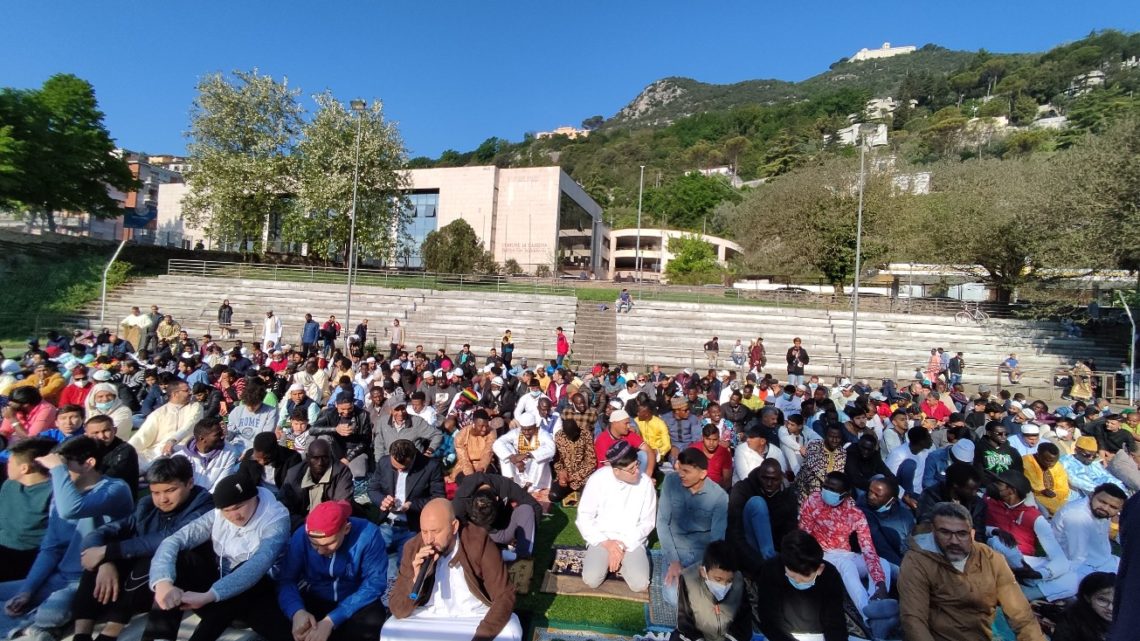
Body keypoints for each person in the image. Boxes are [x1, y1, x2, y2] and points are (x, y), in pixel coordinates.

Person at [0, 437, 134, 638]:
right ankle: (34, 625)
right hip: (60, 577)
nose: (55, 475)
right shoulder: (61, 494)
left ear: (89, 464)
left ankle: (39, 623)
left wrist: (57, 468)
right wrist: (27, 591)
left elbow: (71, 509)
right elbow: (51, 548)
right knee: (12, 595)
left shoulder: (115, 488)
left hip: (89, 580)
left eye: (64, 467)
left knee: (51, 613)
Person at [72, 456, 214, 641]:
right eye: (156, 492)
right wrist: (105, 562)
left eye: (170, 490)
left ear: (189, 483)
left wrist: (109, 552)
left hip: (189, 576)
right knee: (97, 559)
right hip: (142, 584)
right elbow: (102, 532)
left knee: (157, 557)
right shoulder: (146, 505)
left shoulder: (205, 505)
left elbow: (169, 539)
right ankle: (82, 634)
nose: (162, 499)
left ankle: (109, 633)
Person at [147, 469, 293, 641]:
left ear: (254, 497)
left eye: (238, 507)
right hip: (217, 594)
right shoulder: (219, 514)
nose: (233, 515)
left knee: (247, 572)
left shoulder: (276, 519)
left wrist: (209, 595)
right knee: (183, 560)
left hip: (259, 598)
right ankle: (158, 637)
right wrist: (163, 582)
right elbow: (174, 540)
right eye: (226, 510)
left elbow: (259, 564)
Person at [900, 501, 1045, 641]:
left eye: (962, 534)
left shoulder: (990, 558)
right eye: (945, 532)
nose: (954, 541)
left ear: (972, 534)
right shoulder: (917, 561)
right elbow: (914, 619)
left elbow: (1020, 614)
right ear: (933, 531)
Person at [383, 498, 522, 641]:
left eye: (435, 531)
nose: (429, 539)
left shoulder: (478, 541)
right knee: (390, 629)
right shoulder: (413, 548)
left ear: (454, 526)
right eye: (424, 532)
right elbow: (399, 610)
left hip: (474, 616)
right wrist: (415, 580)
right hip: (429, 615)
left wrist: (481, 637)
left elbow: (504, 594)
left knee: (509, 631)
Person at [277, 500, 389, 641]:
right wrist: (296, 611)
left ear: (346, 529)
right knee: (282, 619)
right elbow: (287, 579)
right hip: (316, 595)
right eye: (314, 545)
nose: (320, 551)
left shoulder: (368, 534)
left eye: (328, 544)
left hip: (355, 599)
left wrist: (332, 620)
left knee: (372, 621)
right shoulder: (301, 536)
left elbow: (375, 582)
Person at [799, 471, 889, 617]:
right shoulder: (813, 500)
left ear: (845, 495)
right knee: (848, 566)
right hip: (822, 554)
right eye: (825, 486)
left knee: (882, 563)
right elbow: (803, 535)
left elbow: (867, 547)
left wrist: (880, 582)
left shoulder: (855, 513)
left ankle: (877, 600)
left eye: (833, 490)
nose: (827, 491)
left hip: (845, 554)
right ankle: (867, 614)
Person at [576, 442, 657, 592]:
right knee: (591, 579)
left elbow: (647, 523)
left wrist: (620, 547)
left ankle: (618, 561)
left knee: (640, 584)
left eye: (637, 465)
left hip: (632, 540)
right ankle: (609, 559)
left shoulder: (645, 483)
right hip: (602, 538)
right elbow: (584, 516)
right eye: (631, 469)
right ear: (616, 471)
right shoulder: (597, 479)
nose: (637, 471)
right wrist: (607, 544)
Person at [985, 472, 1079, 601]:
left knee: (1072, 578)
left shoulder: (1033, 516)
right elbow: (973, 527)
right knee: (998, 542)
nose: (993, 486)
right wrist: (994, 530)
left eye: (998, 484)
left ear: (1012, 490)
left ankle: (1027, 592)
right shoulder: (987, 502)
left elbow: (1059, 558)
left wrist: (1038, 574)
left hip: (1025, 561)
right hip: (994, 555)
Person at [658, 448, 728, 606]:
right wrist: (673, 561)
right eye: (680, 469)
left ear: (703, 474)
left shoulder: (719, 497)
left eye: (686, 471)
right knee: (673, 596)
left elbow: (717, 539)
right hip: (675, 549)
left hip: (702, 554)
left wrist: (704, 566)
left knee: (713, 595)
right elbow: (662, 523)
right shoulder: (670, 482)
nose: (681, 474)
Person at [368, 439, 445, 579]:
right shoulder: (384, 462)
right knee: (375, 567)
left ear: (413, 456)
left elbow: (438, 498)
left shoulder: (431, 466)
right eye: (395, 467)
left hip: (411, 529)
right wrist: (382, 500)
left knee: (403, 572)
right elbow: (373, 488)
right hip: (386, 525)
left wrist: (412, 505)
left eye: (403, 468)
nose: (399, 471)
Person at [754, 529, 848, 641]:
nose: (798, 581)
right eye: (792, 576)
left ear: (820, 569)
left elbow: (835, 621)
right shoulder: (771, 570)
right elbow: (770, 620)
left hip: (820, 635)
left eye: (804, 578)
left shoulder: (830, 575)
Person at [727, 460, 799, 575]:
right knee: (757, 504)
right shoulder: (742, 489)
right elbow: (734, 533)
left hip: (776, 552)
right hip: (748, 548)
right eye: (765, 478)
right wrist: (758, 563)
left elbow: (790, 531)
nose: (769, 483)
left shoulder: (788, 495)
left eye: (774, 479)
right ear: (758, 475)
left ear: (781, 478)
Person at [671, 540, 752, 641]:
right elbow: (684, 622)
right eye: (718, 579)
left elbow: (744, 622)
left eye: (729, 581)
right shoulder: (688, 579)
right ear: (703, 572)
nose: (724, 585)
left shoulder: (739, 581)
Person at [0, 439, 56, 582]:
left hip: (27, 557)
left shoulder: (54, 493)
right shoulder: (10, 484)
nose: (7, 465)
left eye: (10, 462)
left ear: (24, 468)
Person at [453, 472, 540, 559]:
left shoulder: (503, 484)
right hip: (482, 535)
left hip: (504, 528)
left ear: (496, 499)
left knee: (526, 509)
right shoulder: (461, 500)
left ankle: (522, 556)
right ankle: (492, 553)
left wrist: (524, 535)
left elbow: (535, 506)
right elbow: (458, 530)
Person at [1052, 484, 1126, 579]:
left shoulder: (1100, 512)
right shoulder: (1077, 516)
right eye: (1102, 501)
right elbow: (1077, 558)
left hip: (1104, 560)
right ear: (1091, 495)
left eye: (1113, 507)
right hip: (1080, 566)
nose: (1105, 508)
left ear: (1119, 510)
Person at [128, 380, 202, 470]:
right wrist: (126, 450)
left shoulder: (195, 406)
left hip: (184, 449)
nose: (190, 393)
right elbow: (142, 436)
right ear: (175, 394)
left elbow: (190, 425)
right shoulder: (159, 413)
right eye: (186, 390)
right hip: (157, 450)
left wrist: (172, 441)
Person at [280, 439, 355, 526]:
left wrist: (319, 525)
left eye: (325, 458)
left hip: (331, 523)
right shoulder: (294, 474)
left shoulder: (341, 472)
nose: (320, 463)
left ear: (331, 456)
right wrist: (304, 524)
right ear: (308, 457)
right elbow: (283, 507)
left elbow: (342, 506)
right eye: (315, 458)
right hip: (301, 524)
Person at [916, 462, 989, 540]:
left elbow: (979, 535)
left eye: (976, 489)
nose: (975, 493)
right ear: (956, 485)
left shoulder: (978, 505)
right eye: (971, 489)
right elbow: (925, 526)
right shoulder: (931, 496)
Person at [312, 391, 375, 481]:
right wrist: (335, 429)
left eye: (349, 408)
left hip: (356, 450)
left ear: (353, 404)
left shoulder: (363, 414)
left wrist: (348, 458)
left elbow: (366, 441)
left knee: (358, 474)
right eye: (342, 409)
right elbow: (313, 430)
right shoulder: (328, 413)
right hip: (336, 448)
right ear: (336, 405)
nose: (346, 412)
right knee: (324, 437)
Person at [858, 474, 915, 572]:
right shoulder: (861, 510)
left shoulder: (904, 516)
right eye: (870, 491)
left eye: (877, 495)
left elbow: (911, 544)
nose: (871, 496)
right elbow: (880, 546)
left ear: (892, 500)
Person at [492, 412, 556, 495]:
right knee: (505, 451)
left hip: (537, 473)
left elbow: (551, 449)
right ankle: (509, 482)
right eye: (524, 429)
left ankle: (528, 486)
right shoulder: (516, 432)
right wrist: (513, 458)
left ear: (535, 426)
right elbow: (497, 443)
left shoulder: (543, 434)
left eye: (529, 429)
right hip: (520, 468)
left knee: (540, 457)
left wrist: (527, 455)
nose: (526, 432)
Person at [173, 417, 238, 491]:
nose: (222, 436)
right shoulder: (179, 458)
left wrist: (206, 497)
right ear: (202, 438)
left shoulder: (230, 451)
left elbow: (222, 484)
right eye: (217, 434)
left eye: (222, 432)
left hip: (213, 496)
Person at [1051, 571, 1115, 641]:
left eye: (1116, 601)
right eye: (1102, 600)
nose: (1110, 608)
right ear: (1087, 598)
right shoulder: (1071, 620)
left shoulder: (1124, 621)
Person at [792, 423, 847, 503]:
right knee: (813, 478)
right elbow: (815, 468)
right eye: (831, 437)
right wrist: (831, 486)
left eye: (838, 437)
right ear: (825, 436)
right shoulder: (815, 445)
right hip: (809, 481)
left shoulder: (842, 452)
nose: (834, 440)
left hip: (829, 485)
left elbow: (838, 472)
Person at [550, 418, 595, 504]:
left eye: (575, 434)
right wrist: (561, 473)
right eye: (570, 436)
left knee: (588, 500)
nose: (573, 437)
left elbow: (591, 462)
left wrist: (573, 477)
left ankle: (579, 492)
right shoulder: (559, 436)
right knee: (553, 496)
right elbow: (557, 459)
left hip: (582, 477)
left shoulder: (586, 434)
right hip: (565, 476)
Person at [1023, 442, 1070, 516]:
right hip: (1034, 497)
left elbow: (1063, 488)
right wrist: (1042, 491)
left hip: (1056, 499)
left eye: (1055, 461)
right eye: (1048, 461)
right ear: (1038, 455)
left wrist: (1056, 494)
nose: (1052, 464)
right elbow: (1032, 484)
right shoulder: (1026, 461)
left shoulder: (1057, 465)